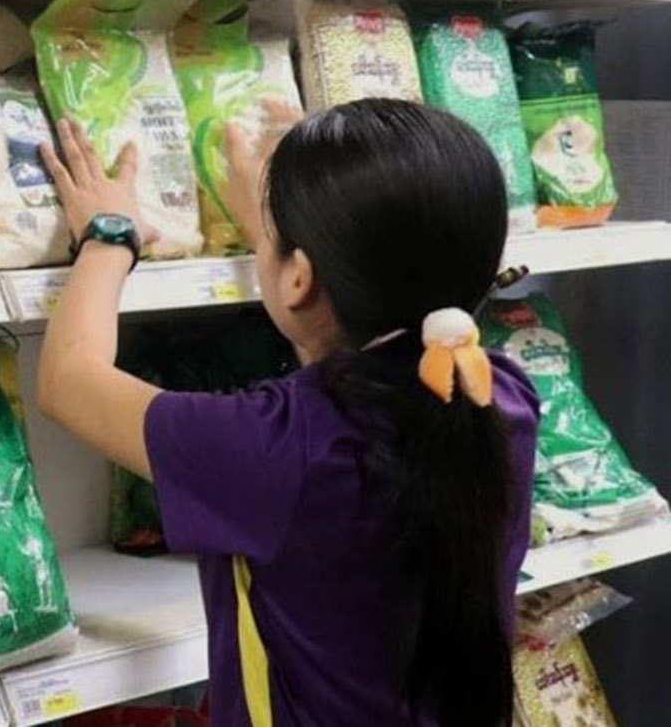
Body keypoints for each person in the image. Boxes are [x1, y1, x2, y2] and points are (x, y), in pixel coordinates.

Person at [35, 99, 540, 727]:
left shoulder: (277, 446)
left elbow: (68, 380)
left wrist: (109, 235)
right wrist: (289, 236)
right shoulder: (501, 397)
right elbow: (335, 345)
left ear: (300, 278)